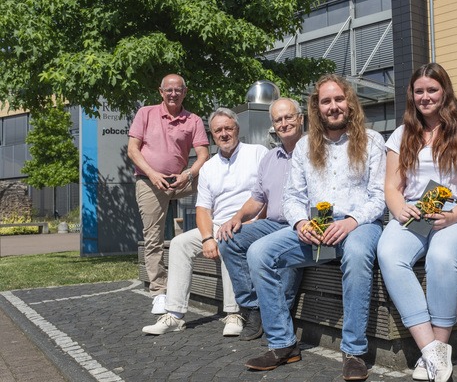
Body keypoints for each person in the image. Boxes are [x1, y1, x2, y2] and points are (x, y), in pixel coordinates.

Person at [244, 74, 386, 381]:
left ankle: (354, 351)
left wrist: (351, 222)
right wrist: (299, 222)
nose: (333, 106)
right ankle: (283, 344)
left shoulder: (373, 141)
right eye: (326, 101)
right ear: (316, 108)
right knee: (258, 253)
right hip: (316, 229)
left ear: (349, 102)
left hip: (358, 225)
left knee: (359, 252)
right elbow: (293, 196)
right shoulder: (306, 146)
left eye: (338, 99)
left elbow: (379, 198)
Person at [376, 63, 457, 382]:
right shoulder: (402, 134)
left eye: (432, 90)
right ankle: (432, 352)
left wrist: (454, 215)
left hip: (456, 213)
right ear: (411, 96)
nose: (425, 97)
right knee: (389, 253)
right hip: (416, 210)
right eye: (419, 91)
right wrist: (399, 208)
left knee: (441, 256)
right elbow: (391, 186)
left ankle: (439, 347)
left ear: (444, 92)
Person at [142, 107, 268, 336]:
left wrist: (257, 221)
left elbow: (268, 193)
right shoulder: (208, 167)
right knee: (180, 244)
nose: (224, 134)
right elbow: (202, 209)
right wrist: (207, 237)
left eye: (228, 128)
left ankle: (234, 313)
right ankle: (175, 314)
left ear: (237, 129)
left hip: (251, 223)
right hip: (218, 225)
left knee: (230, 239)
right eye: (218, 130)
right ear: (212, 135)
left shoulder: (257, 152)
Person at [217, 97, 305, 341]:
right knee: (229, 239)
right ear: (273, 125)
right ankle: (253, 307)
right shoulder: (269, 158)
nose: (284, 123)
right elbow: (257, 200)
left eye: (289, 117)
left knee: (279, 254)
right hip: (272, 223)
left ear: (301, 119)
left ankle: (279, 316)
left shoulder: (314, 150)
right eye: (278, 119)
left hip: (300, 226)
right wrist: (235, 218)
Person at [128, 74, 210, 315]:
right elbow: (133, 150)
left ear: (185, 92)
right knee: (153, 237)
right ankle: (159, 292)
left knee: (214, 179)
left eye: (178, 90)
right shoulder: (145, 113)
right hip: (150, 181)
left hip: (181, 180)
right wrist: (153, 174)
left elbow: (203, 155)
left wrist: (189, 174)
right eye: (169, 90)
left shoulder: (193, 119)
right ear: (161, 92)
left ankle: (226, 227)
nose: (173, 94)